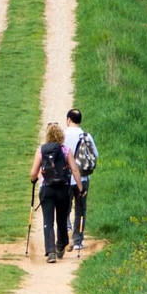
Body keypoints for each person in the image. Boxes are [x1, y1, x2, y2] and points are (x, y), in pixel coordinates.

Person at [29, 122, 83, 263]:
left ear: (47, 135)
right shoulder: (66, 150)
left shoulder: (41, 150)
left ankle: (51, 251)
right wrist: (80, 188)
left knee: (48, 221)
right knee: (61, 219)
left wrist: (33, 179)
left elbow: (33, 173)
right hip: (63, 189)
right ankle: (60, 246)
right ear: (61, 135)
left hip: (47, 189)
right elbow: (75, 170)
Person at [64, 108, 97, 252]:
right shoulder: (86, 136)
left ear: (68, 119)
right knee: (80, 209)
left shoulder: (62, 134)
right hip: (82, 178)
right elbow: (95, 154)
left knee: (64, 206)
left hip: (65, 178)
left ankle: (64, 232)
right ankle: (78, 240)